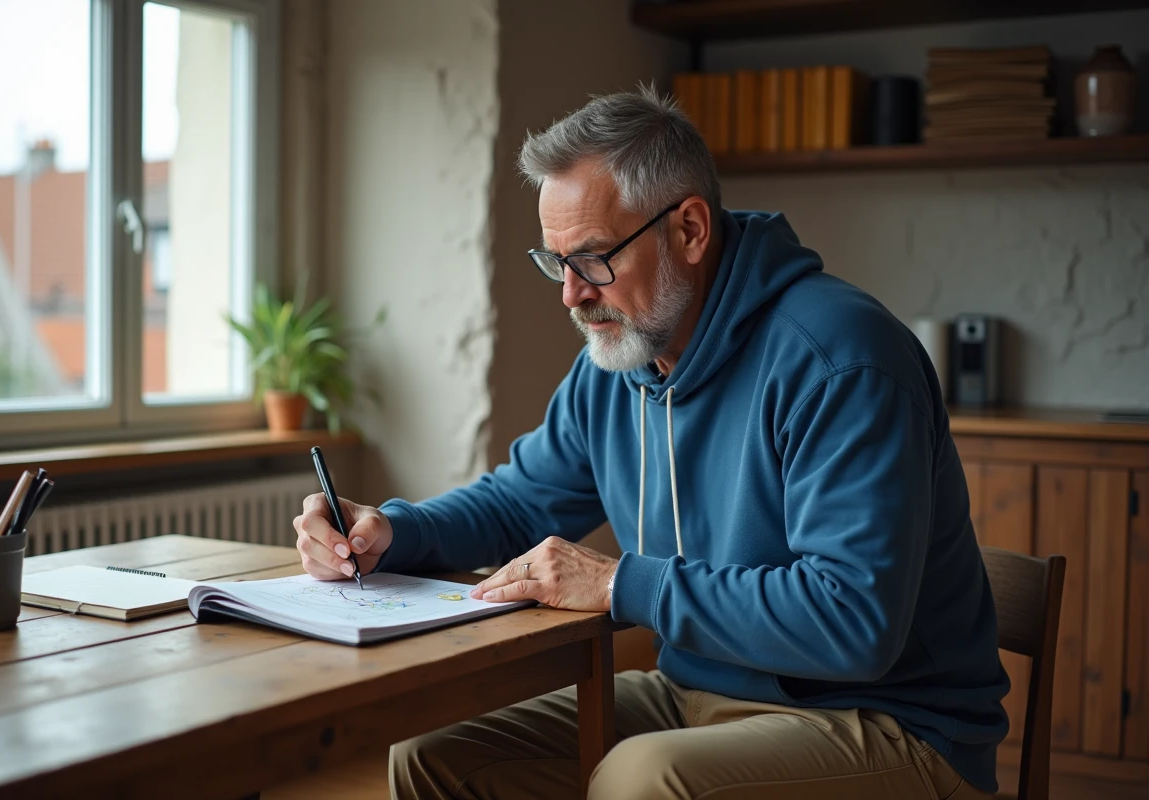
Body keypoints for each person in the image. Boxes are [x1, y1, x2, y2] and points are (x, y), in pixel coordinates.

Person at [293, 85, 1008, 800]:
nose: (571, 295)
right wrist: (393, 531)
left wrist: (616, 583)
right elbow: (521, 504)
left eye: (593, 259)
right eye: (555, 262)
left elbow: (854, 618)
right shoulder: (621, 363)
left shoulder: (840, 360)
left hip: (891, 725)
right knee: (435, 757)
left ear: (691, 230)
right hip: (696, 697)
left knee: (643, 782)